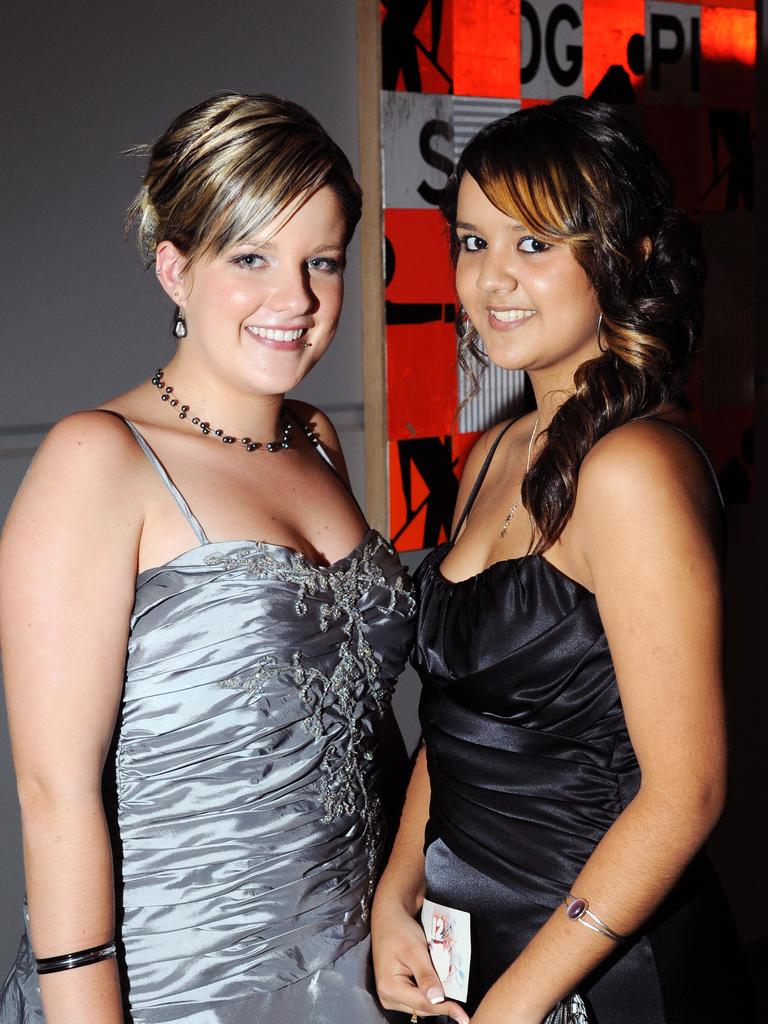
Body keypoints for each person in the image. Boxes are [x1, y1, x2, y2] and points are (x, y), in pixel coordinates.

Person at [0, 92, 415, 1024]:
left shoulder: (315, 440)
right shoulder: (96, 458)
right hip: (188, 986)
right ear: (174, 269)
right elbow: (54, 794)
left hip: (356, 968)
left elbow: (359, 724)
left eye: (322, 261)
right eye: (253, 258)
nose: (296, 299)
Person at [371, 97, 754, 1024]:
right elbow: (461, 713)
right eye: (471, 242)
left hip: (607, 972)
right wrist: (395, 892)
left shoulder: (634, 470)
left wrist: (517, 1007)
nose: (489, 279)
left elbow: (685, 794)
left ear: (624, 255)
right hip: (474, 957)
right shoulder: (493, 452)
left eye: (534, 245)